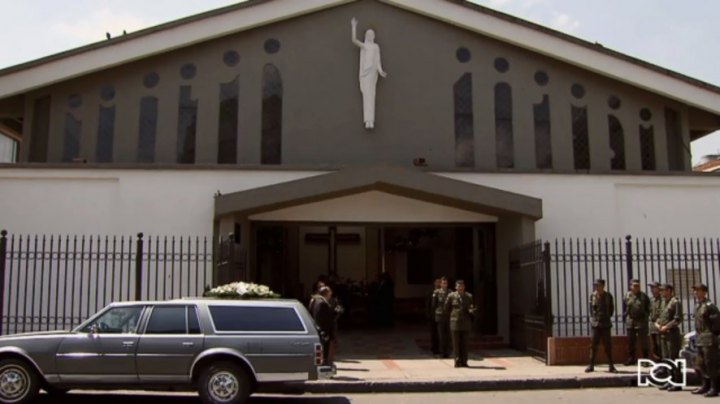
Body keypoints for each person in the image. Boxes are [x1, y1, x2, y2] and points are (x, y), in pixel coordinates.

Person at [350, 17, 387, 129]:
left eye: (372, 34)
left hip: (372, 73)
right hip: (365, 74)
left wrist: (380, 71)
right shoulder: (365, 46)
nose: (370, 36)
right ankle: (367, 120)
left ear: (373, 36)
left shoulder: (376, 47)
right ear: (366, 36)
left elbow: (377, 60)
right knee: (366, 96)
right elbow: (354, 40)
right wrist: (353, 26)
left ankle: (371, 120)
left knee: (371, 96)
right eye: (368, 34)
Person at [691, 283, 719, 397]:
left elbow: (716, 324)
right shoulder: (698, 305)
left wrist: (712, 334)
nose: (695, 293)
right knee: (701, 364)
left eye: (698, 290)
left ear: (704, 292)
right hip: (700, 338)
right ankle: (705, 385)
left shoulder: (710, 306)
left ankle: (714, 387)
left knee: (710, 364)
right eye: (695, 290)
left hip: (708, 339)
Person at [655, 283, 683, 391]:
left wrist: (666, 327)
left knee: (673, 358)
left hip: (672, 334)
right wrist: (658, 325)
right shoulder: (663, 302)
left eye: (663, 290)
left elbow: (677, 319)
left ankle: (677, 382)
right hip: (663, 334)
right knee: (666, 359)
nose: (661, 292)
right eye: (660, 290)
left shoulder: (675, 302)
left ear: (669, 291)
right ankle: (669, 381)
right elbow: (659, 316)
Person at [586, 279, 617, 373]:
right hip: (596, 324)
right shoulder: (593, 296)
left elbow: (611, 310)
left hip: (606, 324)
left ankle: (611, 365)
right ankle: (591, 365)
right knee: (593, 345)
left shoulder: (608, 296)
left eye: (598, 285)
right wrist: (595, 318)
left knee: (608, 345)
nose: (596, 287)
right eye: (595, 285)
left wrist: (605, 317)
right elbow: (591, 310)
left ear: (603, 286)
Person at [445, 280, 476, 367]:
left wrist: (471, 311)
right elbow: (446, 308)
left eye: (462, 286)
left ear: (464, 287)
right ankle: (457, 360)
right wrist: (452, 317)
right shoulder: (451, 296)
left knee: (465, 344)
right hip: (455, 322)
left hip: (465, 322)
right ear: (455, 287)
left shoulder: (469, 296)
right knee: (456, 344)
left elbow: (471, 307)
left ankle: (464, 361)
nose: (460, 288)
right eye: (458, 286)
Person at [623, 279, 650, 365]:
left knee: (643, 341)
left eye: (638, 286)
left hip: (641, 321)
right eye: (634, 286)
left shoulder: (643, 296)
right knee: (631, 341)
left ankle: (645, 360)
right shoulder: (627, 296)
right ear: (630, 286)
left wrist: (645, 316)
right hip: (631, 320)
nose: (636, 287)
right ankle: (631, 359)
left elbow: (648, 308)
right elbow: (625, 307)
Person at [311, 286, 336, 366]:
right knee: (326, 349)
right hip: (324, 329)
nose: (330, 296)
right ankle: (325, 363)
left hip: (320, 328)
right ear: (326, 294)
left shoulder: (315, 301)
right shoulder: (322, 303)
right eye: (329, 294)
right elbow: (325, 318)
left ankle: (325, 362)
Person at [431, 277, 452, 358]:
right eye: (443, 283)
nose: (444, 285)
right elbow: (434, 305)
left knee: (448, 336)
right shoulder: (436, 292)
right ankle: (442, 352)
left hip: (448, 316)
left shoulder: (450, 292)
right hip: (440, 316)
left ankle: (448, 352)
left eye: (446, 283)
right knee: (441, 336)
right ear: (440, 284)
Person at [648, 281, 663, 360]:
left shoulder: (662, 300)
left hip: (659, 325)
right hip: (652, 326)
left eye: (654, 287)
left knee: (660, 345)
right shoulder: (652, 300)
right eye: (651, 288)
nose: (652, 289)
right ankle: (657, 363)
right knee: (654, 346)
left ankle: (662, 363)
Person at [427, 278, 442, 356]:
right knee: (433, 334)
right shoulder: (431, 293)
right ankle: (434, 348)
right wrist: (428, 315)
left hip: (441, 316)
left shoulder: (443, 293)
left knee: (441, 334)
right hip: (433, 317)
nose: (438, 283)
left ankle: (441, 348)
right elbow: (428, 305)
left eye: (440, 282)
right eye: (437, 282)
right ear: (434, 283)